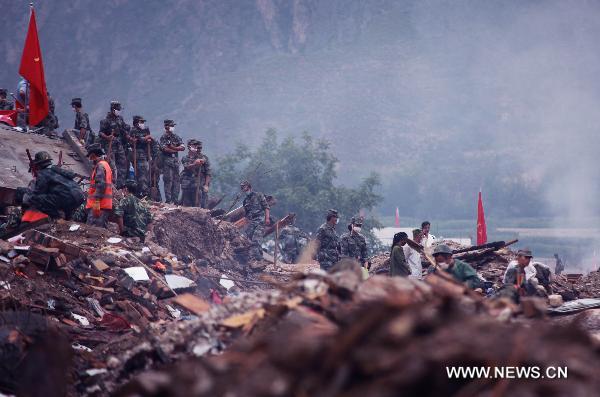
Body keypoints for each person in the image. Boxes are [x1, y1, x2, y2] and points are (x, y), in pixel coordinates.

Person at [20, 151, 85, 220]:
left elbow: (38, 192)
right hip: (79, 196)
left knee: (35, 199)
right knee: (62, 200)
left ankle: (57, 219)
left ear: (39, 164)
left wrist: (25, 199)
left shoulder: (43, 174)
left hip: (67, 198)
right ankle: (68, 221)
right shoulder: (57, 169)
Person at [99, 101, 130, 189]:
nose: (119, 111)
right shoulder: (105, 121)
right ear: (113, 110)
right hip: (109, 144)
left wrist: (128, 136)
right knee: (112, 165)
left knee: (123, 163)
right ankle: (112, 184)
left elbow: (124, 128)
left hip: (118, 143)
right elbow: (100, 133)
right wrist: (107, 137)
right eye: (117, 110)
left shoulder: (120, 119)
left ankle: (120, 184)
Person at [85, 143, 113, 228]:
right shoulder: (106, 164)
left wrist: (96, 204)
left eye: (90, 156)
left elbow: (101, 186)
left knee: (92, 230)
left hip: (99, 205)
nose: (90, 159)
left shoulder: (100, 166)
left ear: (93, 155)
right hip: (104, 205)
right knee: (100, 232)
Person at [241, 180, 270, 261]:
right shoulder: (245, 201)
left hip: (260, 220)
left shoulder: (259, 195)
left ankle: (258, 260)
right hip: (252, 222)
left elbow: (266, 207)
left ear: (249, 187)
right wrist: (245, 225)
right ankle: (257, 255)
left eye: (244, 187)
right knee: (247, 239)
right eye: (242, 188)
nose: (243, 189)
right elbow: (246, 215)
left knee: (256, 240)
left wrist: (267, 218)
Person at [158, 119, 184, 203]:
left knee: (176, 180)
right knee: (168, 180)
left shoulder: (176, 136)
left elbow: (183, 147)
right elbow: (164, 149)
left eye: (173, 126)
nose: (173, 127)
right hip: (167, 161)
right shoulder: (163, 137)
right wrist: (175, 149)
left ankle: (175, 200)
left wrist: (173, 148)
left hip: (175, 161)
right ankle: (168, 200)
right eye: (171, 126)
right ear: (167, 127)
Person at [129, 115, 155, 198]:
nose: (143, 124)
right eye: (141, 122)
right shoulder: (133, 130)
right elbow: (139, 139)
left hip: (145, 153)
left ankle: (145, 191)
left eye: (143, 122)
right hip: (138, 153)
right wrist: (146, 137)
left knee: (146, 172)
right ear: (136, 123)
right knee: (141, 173)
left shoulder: (146, 130)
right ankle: (143, 192)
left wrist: (149, 139)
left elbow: (150, 140)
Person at [180, 139, 212, 207]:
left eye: (197, 146)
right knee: (186, 203)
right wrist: (195, 164)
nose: (196, 147)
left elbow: (208, 172)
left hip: (199, 185)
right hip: (187, 185)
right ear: (189, 147)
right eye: (193, 146)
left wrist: (206, 185)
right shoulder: (185, 158)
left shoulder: (203, 157)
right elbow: (187, 167)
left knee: (200, 204)